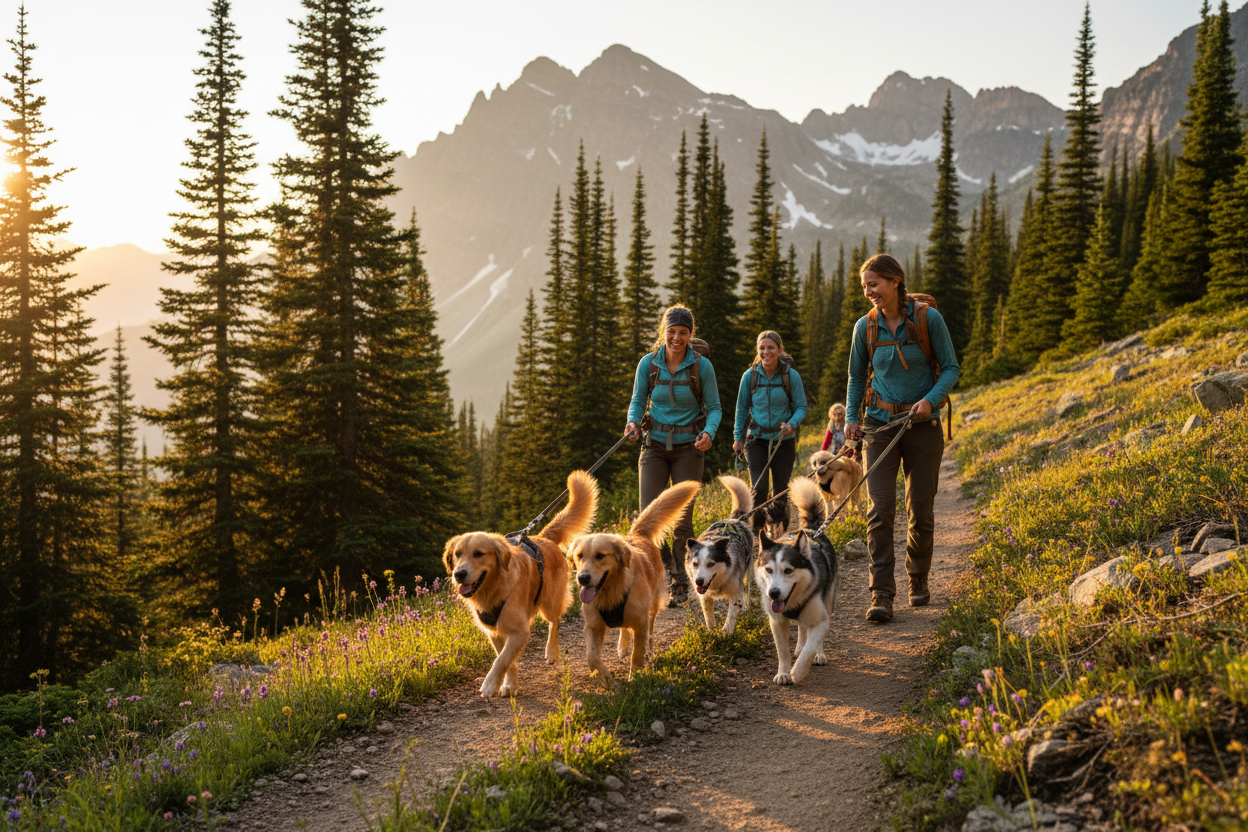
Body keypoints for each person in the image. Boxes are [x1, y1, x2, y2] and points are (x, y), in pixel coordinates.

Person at [844, 254, 959, 624]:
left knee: (920, 510)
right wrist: (851, 418)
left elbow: (952, 368)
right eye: (864, 286)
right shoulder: (865, 327)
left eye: (874, 284)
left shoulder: (928, 319)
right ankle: (881, 592)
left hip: (923, 427)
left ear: (895, 281)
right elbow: (856, 376)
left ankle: (918, 575)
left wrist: (930, 400)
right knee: (879, 510)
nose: (868, 292)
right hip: (879, 426)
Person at [625, 304, 721, 606]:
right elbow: (638, 400)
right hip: (653, 447)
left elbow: (714, 408)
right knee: (648, 519)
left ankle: (680, 579)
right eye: (672, 332)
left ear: (690, 334)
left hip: (688, 450)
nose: (676, 338)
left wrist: (709, 433)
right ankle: (657, 575)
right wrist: (632, 422)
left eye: (683, 333)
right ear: (663, 332)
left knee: (682, 522)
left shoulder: (701, 367)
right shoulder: (648, 364)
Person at [732, 330, 807, 531]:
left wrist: (792, 423)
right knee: (759, 488)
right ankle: (757, 533)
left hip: (784, 440)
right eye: (762, 348)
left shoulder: (791, 376)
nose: (766, 352)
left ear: (780, 350)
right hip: (756, 439)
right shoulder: (750, 376)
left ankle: (779, 530)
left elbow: (801, 406)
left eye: (771, 348)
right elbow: (741, 408)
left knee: (780, 490)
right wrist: (738, 437)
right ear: (757, 350)